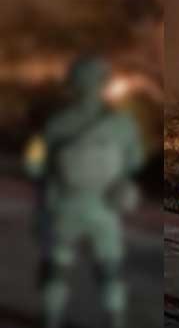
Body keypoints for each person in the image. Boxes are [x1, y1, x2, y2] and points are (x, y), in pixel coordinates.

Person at [23, 56, 144, 328]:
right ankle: (116, 319)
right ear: (103, 84)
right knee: (110, 270)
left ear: (73, 84)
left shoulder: (56, 123)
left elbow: (33, 164)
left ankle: (51, 319)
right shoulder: (122, 125)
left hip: (65, 206)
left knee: (56, 269)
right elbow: (133, 162)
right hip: (104, 209)